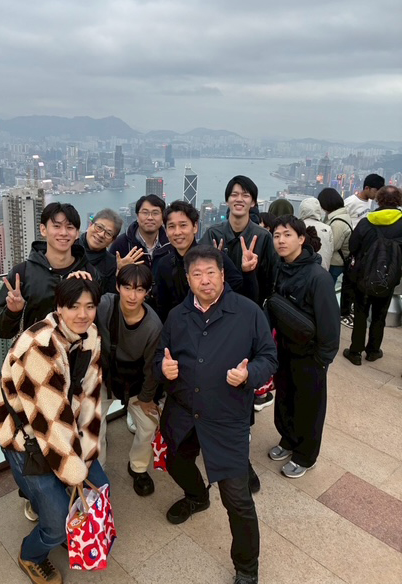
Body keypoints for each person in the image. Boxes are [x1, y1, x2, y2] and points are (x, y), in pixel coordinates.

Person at [155, 245, 278, 584]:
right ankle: (197, 497)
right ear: (188, 279)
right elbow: (160, 356)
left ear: (223, 275)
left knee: (237, 499)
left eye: (211, 272)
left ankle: (246, 569)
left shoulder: (248, 312)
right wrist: (163, 368)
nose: (205, 280)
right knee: (176, 461)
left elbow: (269, 357)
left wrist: (249, 375)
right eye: (197, 274)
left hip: (226, 417)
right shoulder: (177, 315)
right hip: (182, 412)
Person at [0, 277, 106, 584]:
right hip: (23, 436)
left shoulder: (90, 335)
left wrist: (88, 453)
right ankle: (32, 554)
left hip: (59, 426)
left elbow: (91, 396)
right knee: (56, 521)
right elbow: (50, 421)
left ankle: (54, 516)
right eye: (74, 306)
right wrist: (75, 473)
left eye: (90, 306)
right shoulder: (39, 346)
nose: (82, 314)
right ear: (59, 307)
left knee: (99, 485)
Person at [268, 215, 340, 478]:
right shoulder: (280, 267)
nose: (281, 240)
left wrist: (322, 359)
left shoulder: (318, 277)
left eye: (287, 235)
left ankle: (306, 456)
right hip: (285, 348)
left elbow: (330, 324)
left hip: (310, 355)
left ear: (301, 239)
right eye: (277, 235)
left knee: (309, 407)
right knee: (285, 398)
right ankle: (288, 440)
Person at [95, 264, 162, 496]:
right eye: (127, 288)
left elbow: (151, 367)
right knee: (93, 424)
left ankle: (138, 467)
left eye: (139, 289)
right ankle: (98, 470)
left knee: (148, 424)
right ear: (117, 287)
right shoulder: (105, 305)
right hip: (104, 377)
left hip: (134, 381)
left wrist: (146, 397)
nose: (132, 296)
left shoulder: (153, 325)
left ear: (147, 292)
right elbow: (78, 309)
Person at [0, 202, 98, 340]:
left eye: (70, 227)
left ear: (77, 233)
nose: (63, 233)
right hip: (35, 351)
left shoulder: (88, 273)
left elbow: (99, 321)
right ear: (43, 229)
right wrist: (13, 312)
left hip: (78, 351)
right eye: (56, 226)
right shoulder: (22, 273)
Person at [154, 200, 258, 323]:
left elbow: (245, 297)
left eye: (183, 225)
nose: (177, 232)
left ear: (195, 227)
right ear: (166, 231)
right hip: (181, 330)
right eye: (171, 227)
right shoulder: (164, 264)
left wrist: (248, 272)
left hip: (219, 326)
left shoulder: (214, 258)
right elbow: (162, 309)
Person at [343, 186, 402, 366]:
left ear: (379, 199)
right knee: (379, 314)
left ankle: (355, 352)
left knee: (360, 313)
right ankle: (373, 351)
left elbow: (353, 246)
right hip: (389, 277)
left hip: (363, 275)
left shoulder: (366, 222)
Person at [200, 175, 278, 305]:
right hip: (216, 308)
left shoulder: (264, 237)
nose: (239, 199)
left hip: (253, 308)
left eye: (245, 195)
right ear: (227, 200)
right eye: (234, 195)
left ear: (253, 202)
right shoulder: (213, 234)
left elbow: (271, 281)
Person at [339, 175, 385, 328]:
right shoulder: (350, 202)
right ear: (367, 188)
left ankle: (350, 309)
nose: (377, 194)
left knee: (356, 282)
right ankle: (343, 312)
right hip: (350, 247)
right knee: (348, 281)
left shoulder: (370, 202)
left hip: (363, 249)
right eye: (376, 191)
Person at [109, 194, 170, 270]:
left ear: (162, 218)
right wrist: (119, 270)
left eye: (155, 213)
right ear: (137, 216)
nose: (150, 217)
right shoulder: (122, 243)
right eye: (145, 213)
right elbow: (107, 274)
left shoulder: (170, 244)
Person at [79, 208, 123, 294]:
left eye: (108, 233)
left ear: (112, 241)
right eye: (99, 227)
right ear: (90, 225)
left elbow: (111, 297)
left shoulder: (112, 265)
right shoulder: (69, 248)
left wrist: (120, 274)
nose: (101, 234)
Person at [318, 188, 352, 285]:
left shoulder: (337, 223)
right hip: (335, 262)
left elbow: (332, 245)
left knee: (326, 288)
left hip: (334, 263)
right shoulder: (340, 216)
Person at [298, 197, 334, 271]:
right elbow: (330, 250)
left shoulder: (298, 226)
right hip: (323, 270)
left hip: (303, 270)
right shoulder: (327, 229)